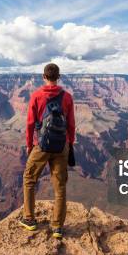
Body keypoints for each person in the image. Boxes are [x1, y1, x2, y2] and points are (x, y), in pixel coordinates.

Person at [19, 63, 75, 239]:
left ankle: (29, 219)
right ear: (58, 77)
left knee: (29, 178)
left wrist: (29, 144)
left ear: (44, 77)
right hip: (61, 145)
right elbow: (71, 124)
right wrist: (69, 143)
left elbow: (30, 123)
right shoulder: (67, 97)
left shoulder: (36, 95)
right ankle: (57, 227)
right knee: (60, 186)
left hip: (41, 145)